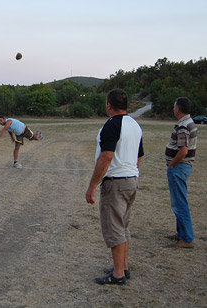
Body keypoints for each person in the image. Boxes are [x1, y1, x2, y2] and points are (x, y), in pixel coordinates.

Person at [85, 89, 144, 285]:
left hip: (116, 183)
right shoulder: (134, 125)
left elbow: (106, 156)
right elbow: (139, 156)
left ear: (109, 105)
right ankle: (123, 267)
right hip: (131, 180)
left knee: (115, 228)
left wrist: (92, 186)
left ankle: (118, 274)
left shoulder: (111, 125)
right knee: (123, 226)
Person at [165, 97, 197, 248]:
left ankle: (187, 238)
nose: (173, 109)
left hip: (179, 167)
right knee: (178, 201)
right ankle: (181, 233)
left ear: (178, 109)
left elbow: (183, 150)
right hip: (181, 167)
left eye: (173, 106)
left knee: (179, 203)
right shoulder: (188, 122)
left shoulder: (183, 126)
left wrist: (172, 164)